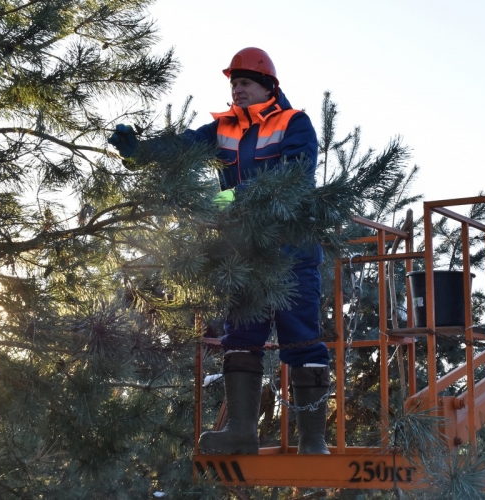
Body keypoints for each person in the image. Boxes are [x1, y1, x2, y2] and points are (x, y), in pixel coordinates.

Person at [109, 47, 331, 455]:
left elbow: (293, 177)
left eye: (245, 83)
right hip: (242, 252)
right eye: (233, 84)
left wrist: (229, 199)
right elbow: (182, 147)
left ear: (267, 86)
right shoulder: (223, 128)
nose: (237, 89)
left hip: (290, 251)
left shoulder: (294, 123)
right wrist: (139, 152)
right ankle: (241, 433)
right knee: (240, 338)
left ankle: (313, 439)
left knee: (301, 339)